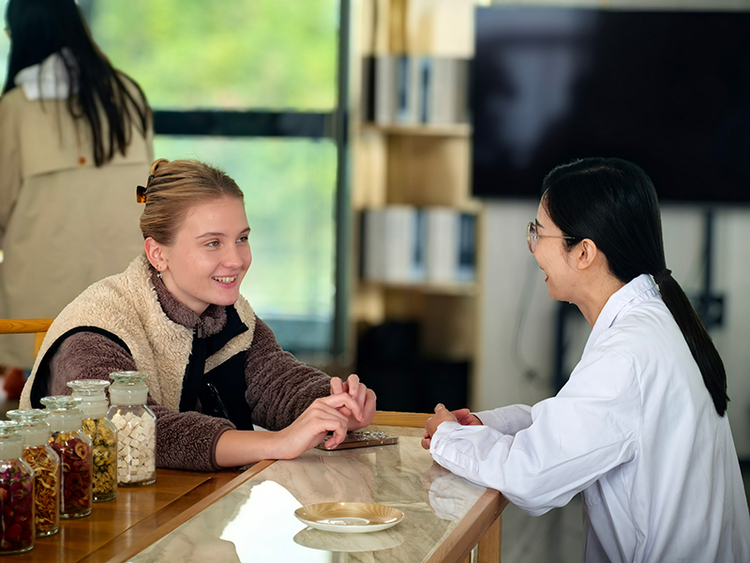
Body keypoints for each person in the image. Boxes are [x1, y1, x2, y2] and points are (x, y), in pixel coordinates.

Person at [422, 158, 750, 562]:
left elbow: (531, 474)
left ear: (584, 253)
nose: (533, 248)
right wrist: (488, 425)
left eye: (537, 232)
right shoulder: (649, 321)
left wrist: (446, 436)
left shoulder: (628, 353)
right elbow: (574, 422)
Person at [19, 158, 377, 470]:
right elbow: (136, 431)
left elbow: (274, 381)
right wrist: (277, 443)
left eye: (242, 238)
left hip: (187, 512)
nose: (236, 260)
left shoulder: (226, 313)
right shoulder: (96, 329)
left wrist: (336, 403)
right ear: (157, 253)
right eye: (212, 243)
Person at [0, 0, 153, 372]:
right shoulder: (129, 97)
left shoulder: (18, 108)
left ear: (22, 37)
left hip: (40, 302)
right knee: (118, 407)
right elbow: (148, 195)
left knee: (36, 411)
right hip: (123, 296)